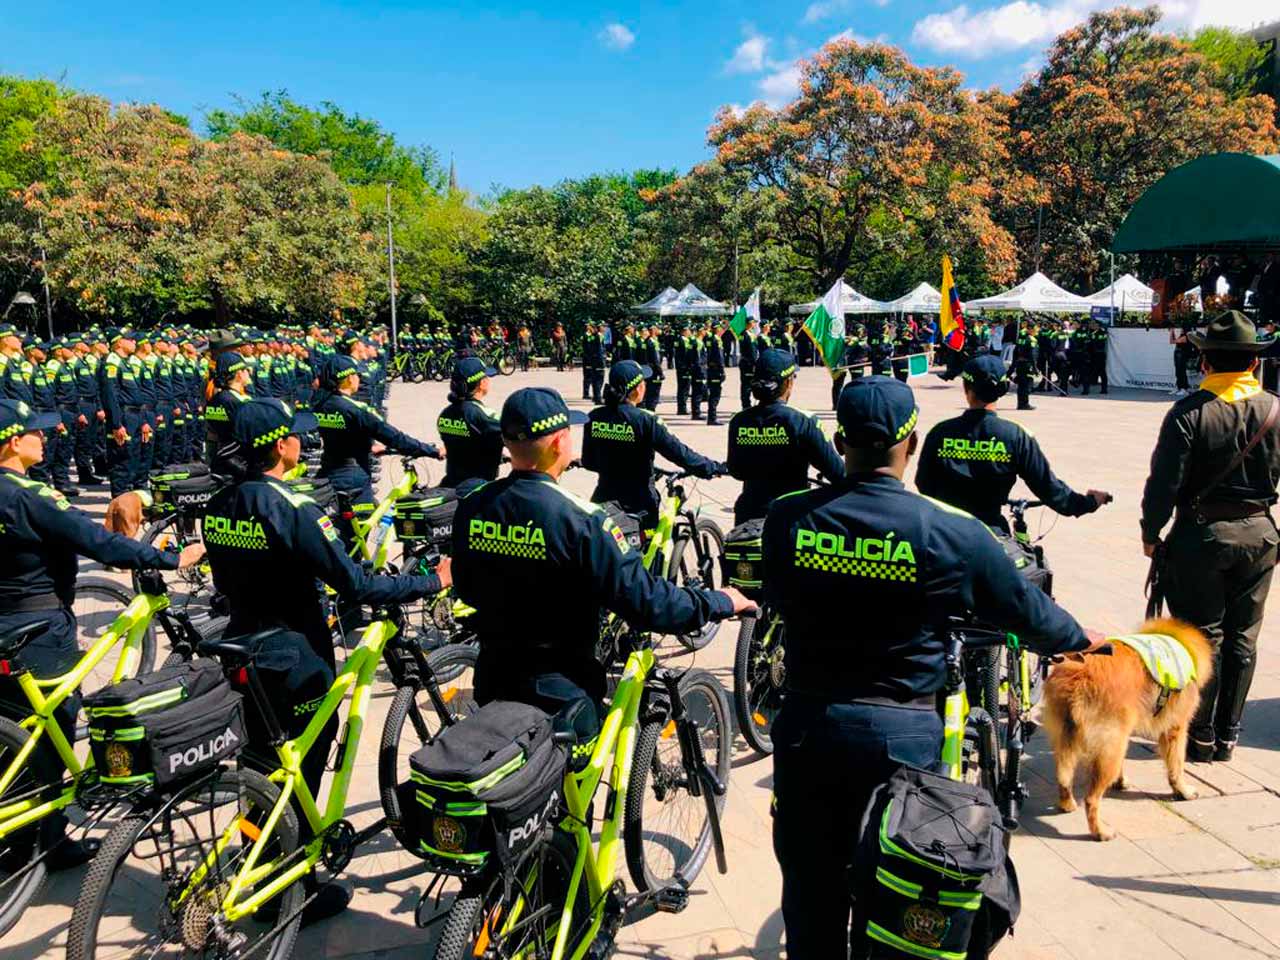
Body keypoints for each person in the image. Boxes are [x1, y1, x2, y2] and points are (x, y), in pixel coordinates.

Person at [762, 376, 1097, 959]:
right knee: (899, 887)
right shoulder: (952, 530)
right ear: (911, 444)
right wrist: (1081, 639)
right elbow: (1026, 610)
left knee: (811, 889)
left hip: (808, 728)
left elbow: (776, 592)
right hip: (902, 735)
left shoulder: (787, 517)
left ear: (839, 442)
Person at [202, 397, 448, 924]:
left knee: (261, 767)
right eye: (295, 434)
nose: (302, 441)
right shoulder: (294, 509)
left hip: (242, 645)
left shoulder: (219, 504)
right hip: (295, 655)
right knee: (300, 772)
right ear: (279, 447)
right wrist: (432, 582)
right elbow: (356, 583)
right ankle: (291, 888)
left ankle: (259, 862)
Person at [452, 386, 753, 724]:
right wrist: (720, 601)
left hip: (493, 680)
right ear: (559, 442)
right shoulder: (581, 520)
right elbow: (649, 604)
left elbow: (465, 587)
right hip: (564, 696)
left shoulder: (474, 505)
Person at [0, 398, 204, 867]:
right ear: (12, 442)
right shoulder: (32, 496)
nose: (44, 438)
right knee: (52, 732)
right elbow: (99, 543)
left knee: (13, 728)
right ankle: (45, 843)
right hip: (38, 627)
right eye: (35, 432)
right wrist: (171, 558)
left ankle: (18, 830)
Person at [1141, 310, 1280, 764]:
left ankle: (1198, 734)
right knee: (1244, 638)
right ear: (1254, 363)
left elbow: (1163, 484)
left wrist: (1150, 531)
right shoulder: (1275, 409)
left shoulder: (1188, 413)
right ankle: (1228, 734)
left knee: (1203, 637)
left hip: (1200, 536)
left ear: (1203, 361)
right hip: (1259, 535)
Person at [916, 355, 1110, 533]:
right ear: (1003, 390)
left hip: (942, 533)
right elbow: (1050, 490)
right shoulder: (1015, 436)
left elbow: (923, 484)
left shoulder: (940, 432)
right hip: (990, 536)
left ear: (966, 388)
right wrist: (1089, 502)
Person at [581, 360, 725, 530]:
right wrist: (712, 468)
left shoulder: (594, 416)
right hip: (638, 504)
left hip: (603, 499)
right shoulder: (645, 420)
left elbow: (589, 462)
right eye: (643, 382)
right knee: (650, 544)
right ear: (637, 389)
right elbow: (680, 454)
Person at [312, 354, 442, 537]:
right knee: (357, 536)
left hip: (327, 473)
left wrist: (366, 447)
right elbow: (395, 438)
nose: (359, 379)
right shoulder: (356, 409)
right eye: (357, 375)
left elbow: (340, 436)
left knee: (336, 534)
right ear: (349, 378)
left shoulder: (321, 404)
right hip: (354, 478)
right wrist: (432, 451)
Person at [726, 349, 843, 525]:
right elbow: (837, 472)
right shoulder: (803, 421)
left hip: (748, 515)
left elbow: (736, 470)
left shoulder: (739, 420)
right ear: (788, 382)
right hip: (790, 516)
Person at [437, 357, 503, 489]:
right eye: (487, 377)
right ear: (482, 383)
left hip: (452, 481)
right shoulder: (483, 415)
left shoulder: (445, 414)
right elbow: (511, 435)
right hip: (478, 486)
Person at [204, 352, 254, 471]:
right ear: (239, 374)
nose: (249, 373)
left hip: (217, 460)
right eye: (246, 370)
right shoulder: (238, 402)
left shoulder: (215, 399)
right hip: (238, 463)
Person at [704, 319, 727, 425]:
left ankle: (712, 417)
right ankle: (712, 418)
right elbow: (719, 357)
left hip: (711, 369)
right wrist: (722, 370)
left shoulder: (710, 339)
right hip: (716, 370)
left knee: (713, 393)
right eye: (720, 327)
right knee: (715, 394)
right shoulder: (716, 340)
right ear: (717, 328)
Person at [581, 321, 606, 404]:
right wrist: (602, 360)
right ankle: (597, 397)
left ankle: (596, 397)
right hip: (598, 361)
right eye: (603, 326)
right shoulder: (598, 336)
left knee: (595, 379)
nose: (604, 328)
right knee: (599, 379)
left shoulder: (593, 336)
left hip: (593, 360)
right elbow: (599, 350)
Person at [642, 324, 664, 412]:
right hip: (653, 370)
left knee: (651, 391)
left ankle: (650, 408)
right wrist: (660, 372)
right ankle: (651, 410)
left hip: (651, 369)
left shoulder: (653, 341)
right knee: (653, 391)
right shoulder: (650, 342)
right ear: (654, 330)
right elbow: (655, 359)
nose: (659, 330)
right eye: (658, 328)